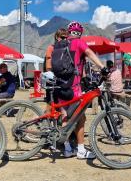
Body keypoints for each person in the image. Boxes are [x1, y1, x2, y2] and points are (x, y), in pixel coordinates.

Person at [45, 22, 106, 159]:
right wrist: (102, 67)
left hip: (60, 85)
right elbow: (89, 53)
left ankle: (67, 149)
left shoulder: (60, 44)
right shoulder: (78, 43)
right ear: (80, 32)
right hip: (74, 87)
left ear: (69, 32)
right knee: (80, 118)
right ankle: (80, 150)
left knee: (65, 116)